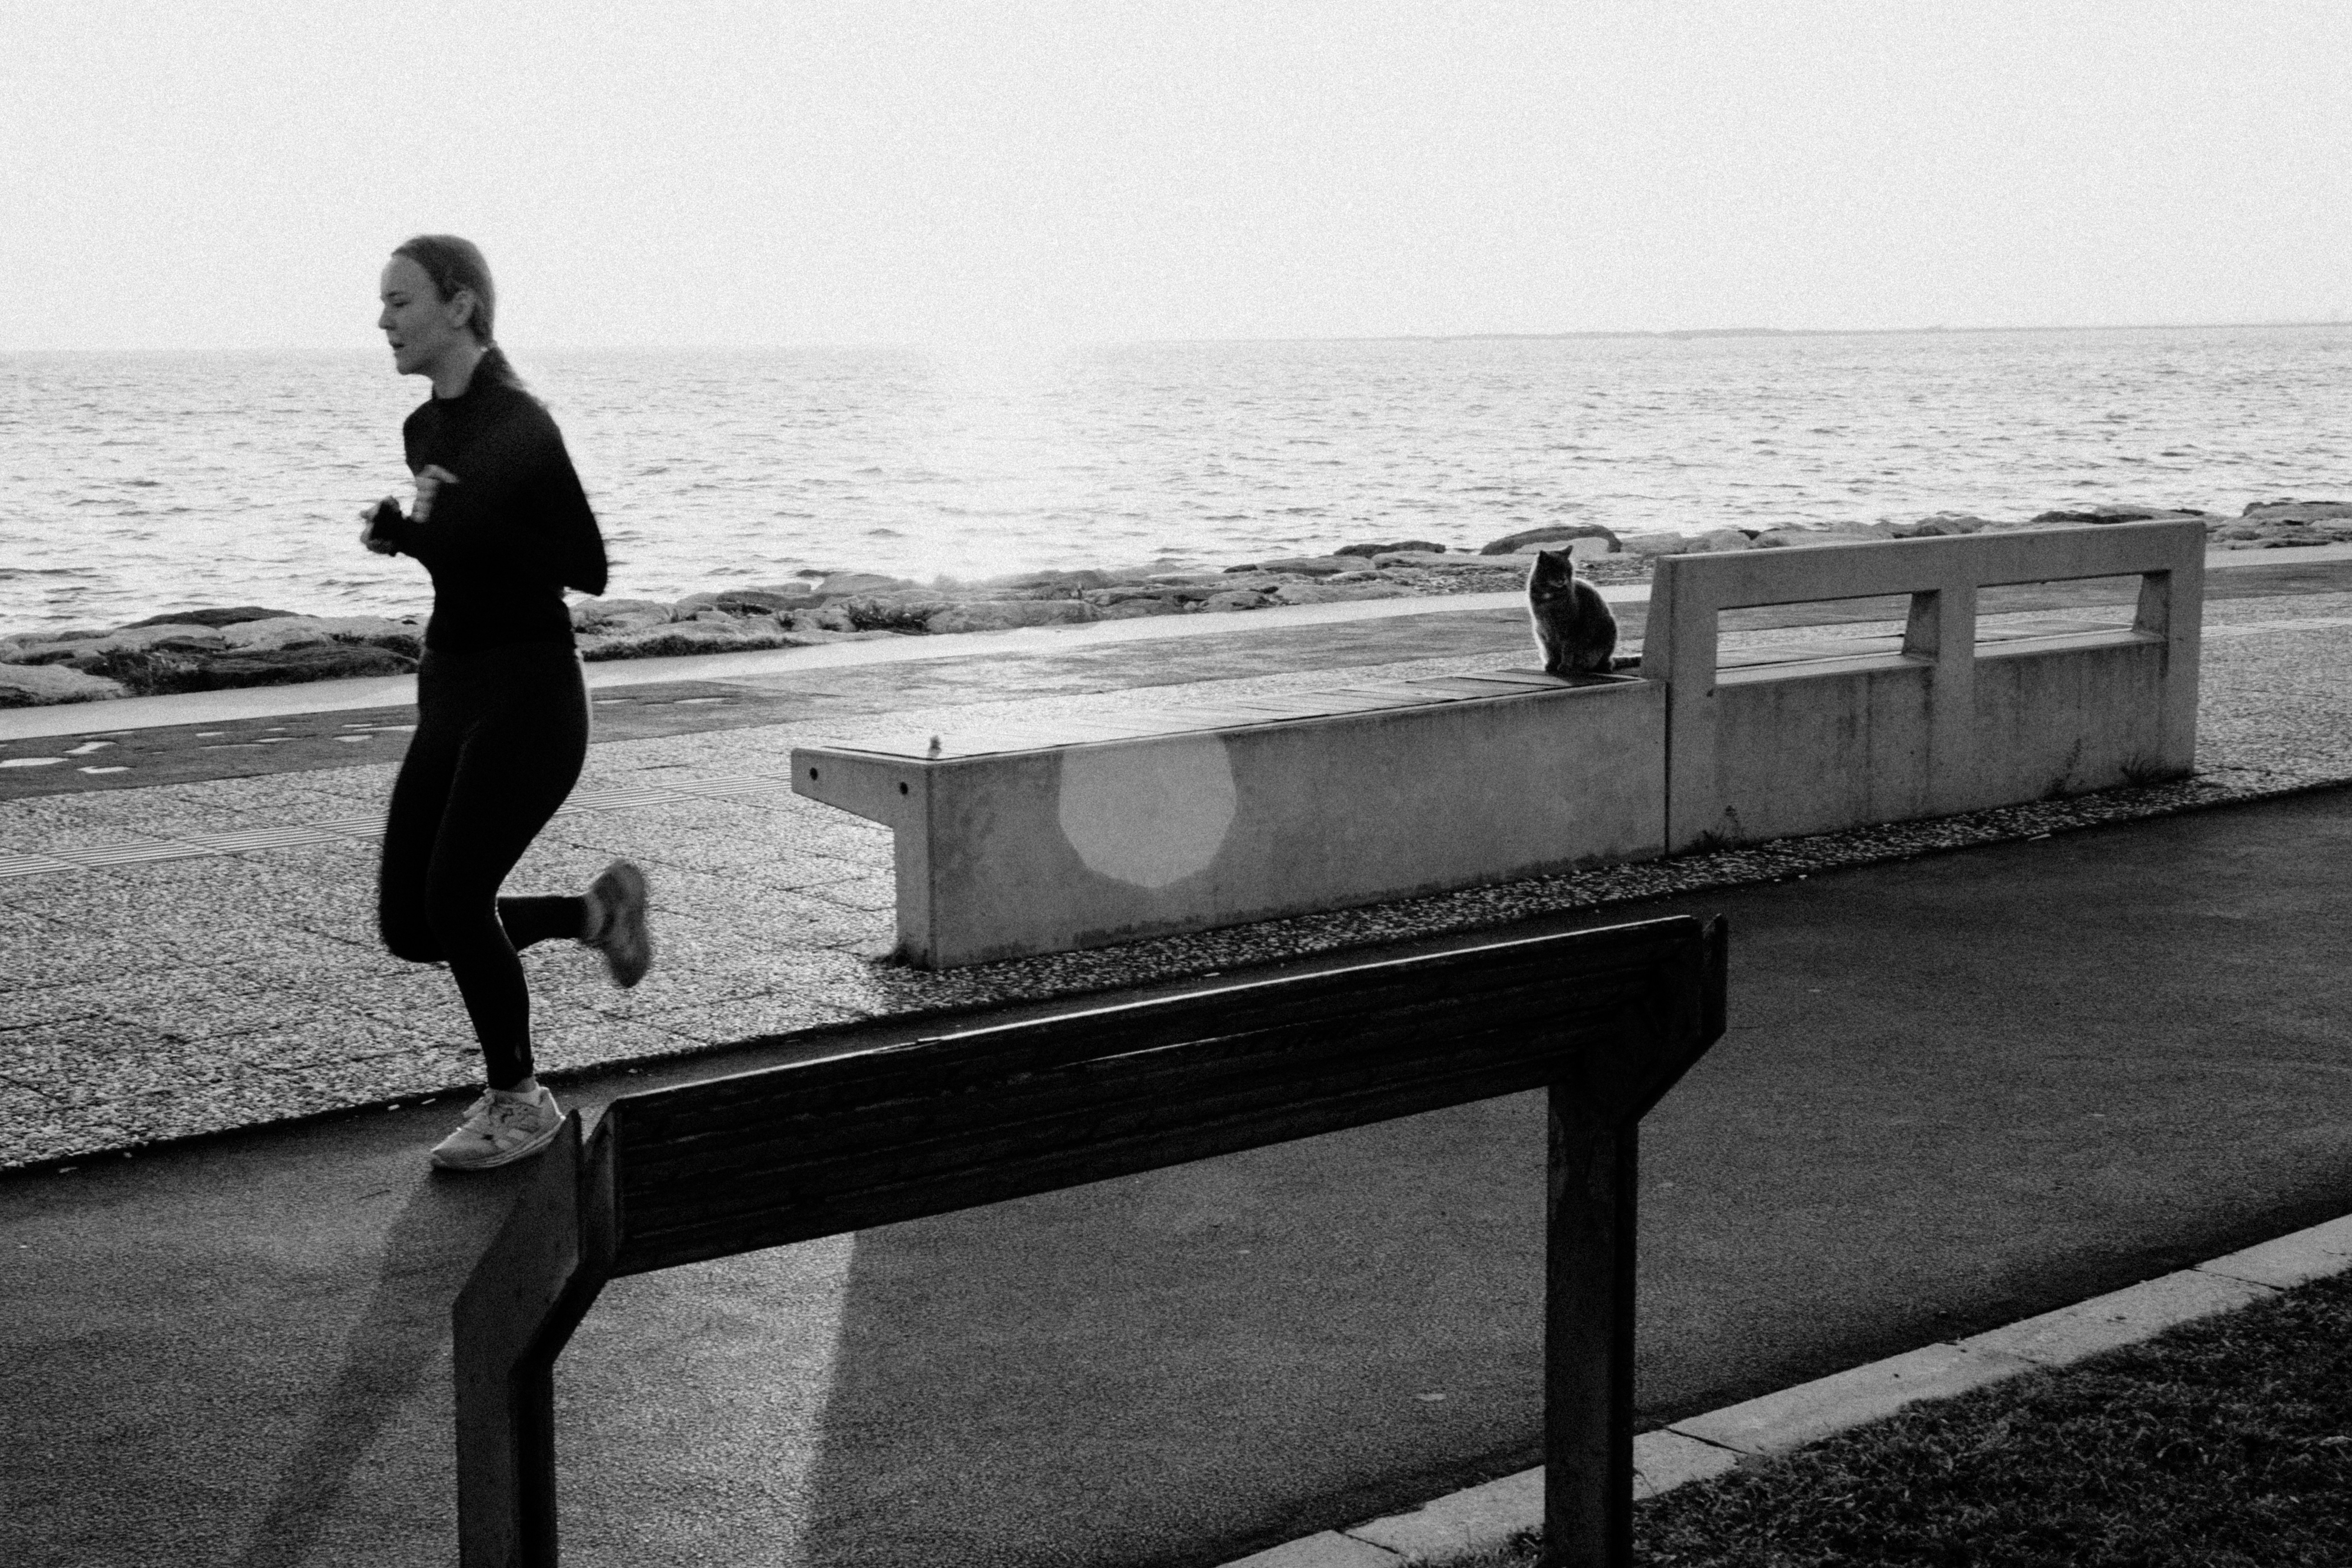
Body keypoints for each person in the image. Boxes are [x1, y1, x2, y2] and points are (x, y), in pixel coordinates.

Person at [361, 233, 652, 1172]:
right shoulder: (424, 429)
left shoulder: (521, 421)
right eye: (383, 303)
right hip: (450, 683)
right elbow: (469, 558)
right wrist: (407, 539)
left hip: (530, 689)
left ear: (460, 304)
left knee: (454, 896)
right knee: (412, 924)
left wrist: (467, 520)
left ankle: (520, 1100)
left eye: (401, 302)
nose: (384, 321)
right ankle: (594, 914)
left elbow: (587, 567)